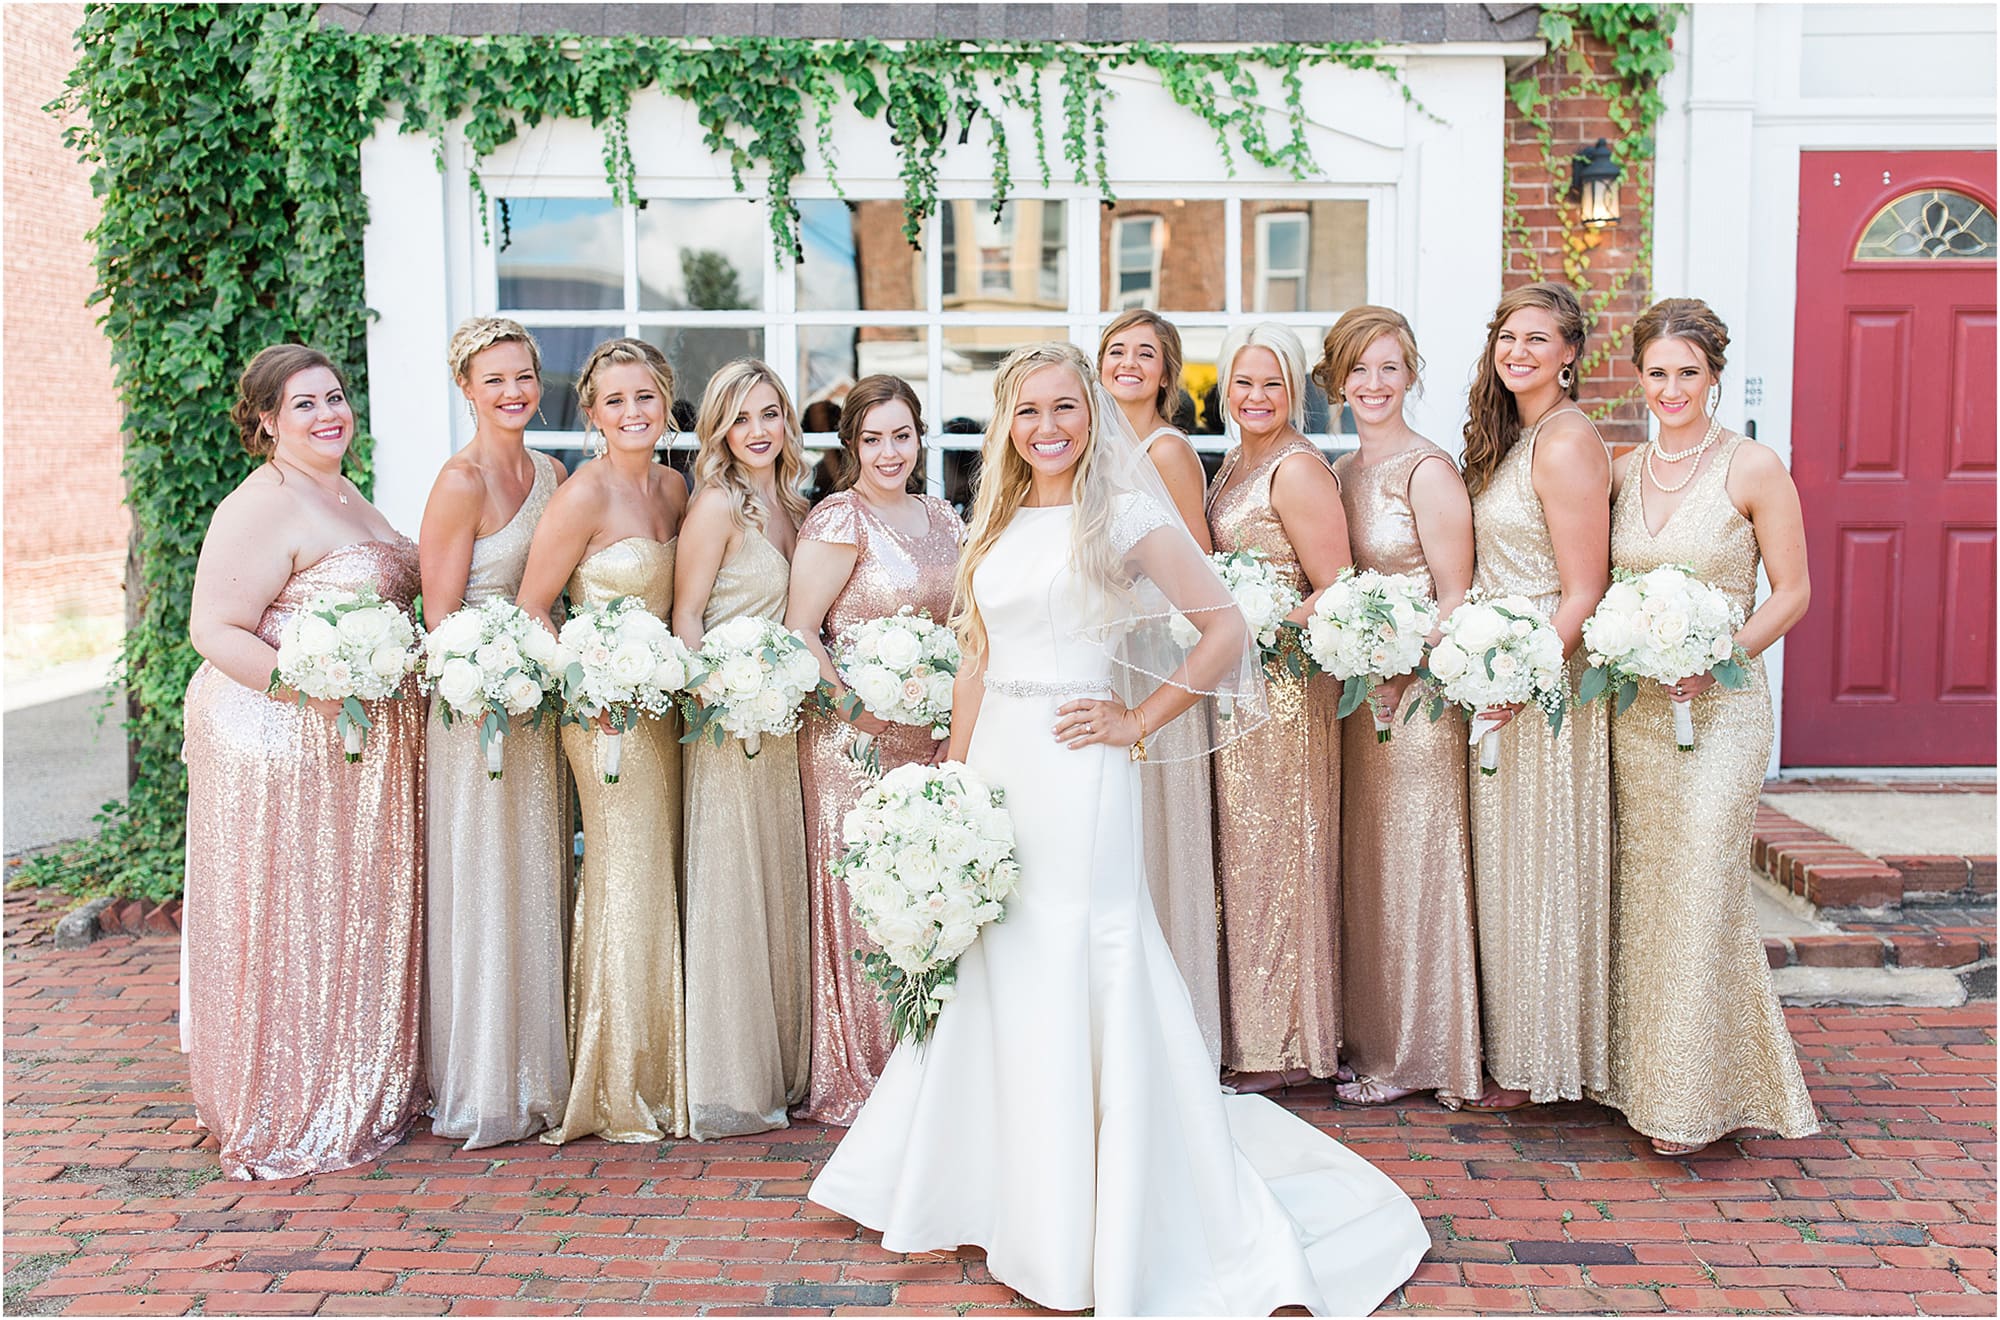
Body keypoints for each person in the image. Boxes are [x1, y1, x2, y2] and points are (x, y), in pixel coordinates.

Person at [809, 342, 1429, 1315]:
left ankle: (1090, 1213)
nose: (1047, 428)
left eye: (1065, 407)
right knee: (997, 960)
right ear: (1006, 424)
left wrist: (1135, 724)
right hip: (1001, 766)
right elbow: (977, 654)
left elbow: (1221, 626)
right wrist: (954, 780)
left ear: (1091, 414)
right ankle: (992, 1186)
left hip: (1079, 765)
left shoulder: (1126, 512)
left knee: (1076, 956)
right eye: (1027, 412)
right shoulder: (999, 514)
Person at [182, 344, 426, 1178]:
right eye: (305, 405)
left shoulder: (346, 490)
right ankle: (285, 1098)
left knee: (348, 912)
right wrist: (308, 690)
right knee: (293, 915)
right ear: (265, 423)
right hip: (281, 739)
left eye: (336, 397)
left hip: (357, 741)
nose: (329, 415)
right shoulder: (260, 505)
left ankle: (354, 1078)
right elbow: (214, 631)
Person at [1596, 298, 1818, 1154]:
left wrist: (1720, 653)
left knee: (1700, 881)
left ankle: (1690, 1102)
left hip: (1722, 708)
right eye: (1657, 373)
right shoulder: (1621, 470)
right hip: (1641, 713)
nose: (1672, 388)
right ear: (1640, 378)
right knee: (1650, 892)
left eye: (1688, 372)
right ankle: (1646, 1075)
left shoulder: (1754, 466)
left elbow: (1792, 591)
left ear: (1714, 376)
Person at [518, 337, 689, 1143]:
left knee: (663, 875)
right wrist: (587, 686)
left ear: (665, 401)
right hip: (603, 719)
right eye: (615, 401)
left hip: (664, 710)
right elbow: (533, 610)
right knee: (625, 876)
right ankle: (621, 1082)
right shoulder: (582, 496)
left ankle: (671, 1064)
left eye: (645, 397)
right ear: (591, 413)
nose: (632, 413)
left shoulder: (675, 487)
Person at [786, 375, 964, 1125]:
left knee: (932, 894)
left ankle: (929, 1063)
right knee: (867, 900)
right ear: (850, 445)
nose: (890, 452)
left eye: (902, 435)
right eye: (873, 439)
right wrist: (861, 715)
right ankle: (864, 1069)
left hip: (932, 738)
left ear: (919, 438)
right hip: (853, 745)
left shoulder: (943, 517)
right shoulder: (839, 519)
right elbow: (801, 631)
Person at [1318, 307, 1483, 1109]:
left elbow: (1456, 595)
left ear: (1411, 374)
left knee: (1415, 866)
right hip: (1357, 696)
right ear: (1337, 379)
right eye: (1359, 369)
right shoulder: (1342, 472)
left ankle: (1424, 1052)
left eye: (1389, 368)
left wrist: (1404, 668)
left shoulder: (1427, 469)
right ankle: (1372, 1035)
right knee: (1369, 867)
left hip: (1416, 701)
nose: (1373, 384)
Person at [416, 317, 570, 1149]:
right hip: (476, 707)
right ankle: (485, 1081)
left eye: (523, 377)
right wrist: (494, 673)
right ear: (466, 389)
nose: (513, 392)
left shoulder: (550, 471)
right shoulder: (460, 480)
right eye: (495, 380)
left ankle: (539, 1072)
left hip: (536, 705)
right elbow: (440, 619)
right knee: (484, 879)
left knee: (535, 873)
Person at [1459, 281, 1613, 1111]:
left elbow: (1584, 589)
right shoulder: (1514, 438)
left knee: (1544, 870)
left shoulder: (1563, 442)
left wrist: (1518, 682)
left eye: (1537, 339)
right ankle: (1518, 1051)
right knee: (1509, 872)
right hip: (1496, 681)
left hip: (1546, 690)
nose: (1517, 351)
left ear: (1570, 354)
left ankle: (1545, 1063)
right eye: (1507, 337)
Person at [1205, 322, 1352, 1092]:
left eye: (1272, 384)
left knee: (1279, 857)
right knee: (1243, 863)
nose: (1255, 397)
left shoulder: (1296, 470)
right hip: (1239, 689)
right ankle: (1249, 1030)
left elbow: (1335, 587)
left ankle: (1289, 1045)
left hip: (1286, 693)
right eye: (1243, 382)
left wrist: (1257, 622)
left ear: (1295, 390)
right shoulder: (1234, 462)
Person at [673, 358, 813, 1140]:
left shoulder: (790, 503)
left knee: (774, 879)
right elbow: (687, 616)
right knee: (732, 884)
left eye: (771, 414)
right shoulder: (718, 506)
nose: (759, 431)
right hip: (729, 728)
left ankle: (782, 1063)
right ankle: (732, 1079)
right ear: (721, 429)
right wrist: (719, 696)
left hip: (784, 720)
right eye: (743, 418)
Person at [1096, 309, 1223, 1066]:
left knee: (1156, 838)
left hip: (1150, 658)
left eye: (1147, 354)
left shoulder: (1166, 450)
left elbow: (1197, 574)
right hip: (1099, 657)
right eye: (1117, 351)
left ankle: (1170, 1037)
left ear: (1167, 374)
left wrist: (1124, 584)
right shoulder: (1090, 447)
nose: (1130, 364)